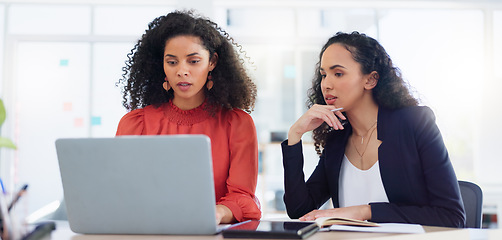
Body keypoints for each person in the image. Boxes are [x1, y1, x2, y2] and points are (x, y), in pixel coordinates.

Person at [282, 31, 465, 228]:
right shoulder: (338, 139)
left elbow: (452, 217)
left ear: (370, 80)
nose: (326, 84)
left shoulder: (413, 123)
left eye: (338, 73)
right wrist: (295, 136)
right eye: (324, 75)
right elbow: (299, 210)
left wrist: (365, 211)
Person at [115, 10, 261, 224]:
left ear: (212, 62)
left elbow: (242, 196)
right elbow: (122, 193)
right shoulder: (136, 124)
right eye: (172, 62)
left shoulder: (236, 124)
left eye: (193, 61)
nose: (182, 71)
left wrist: (217, 213)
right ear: (162, 66)